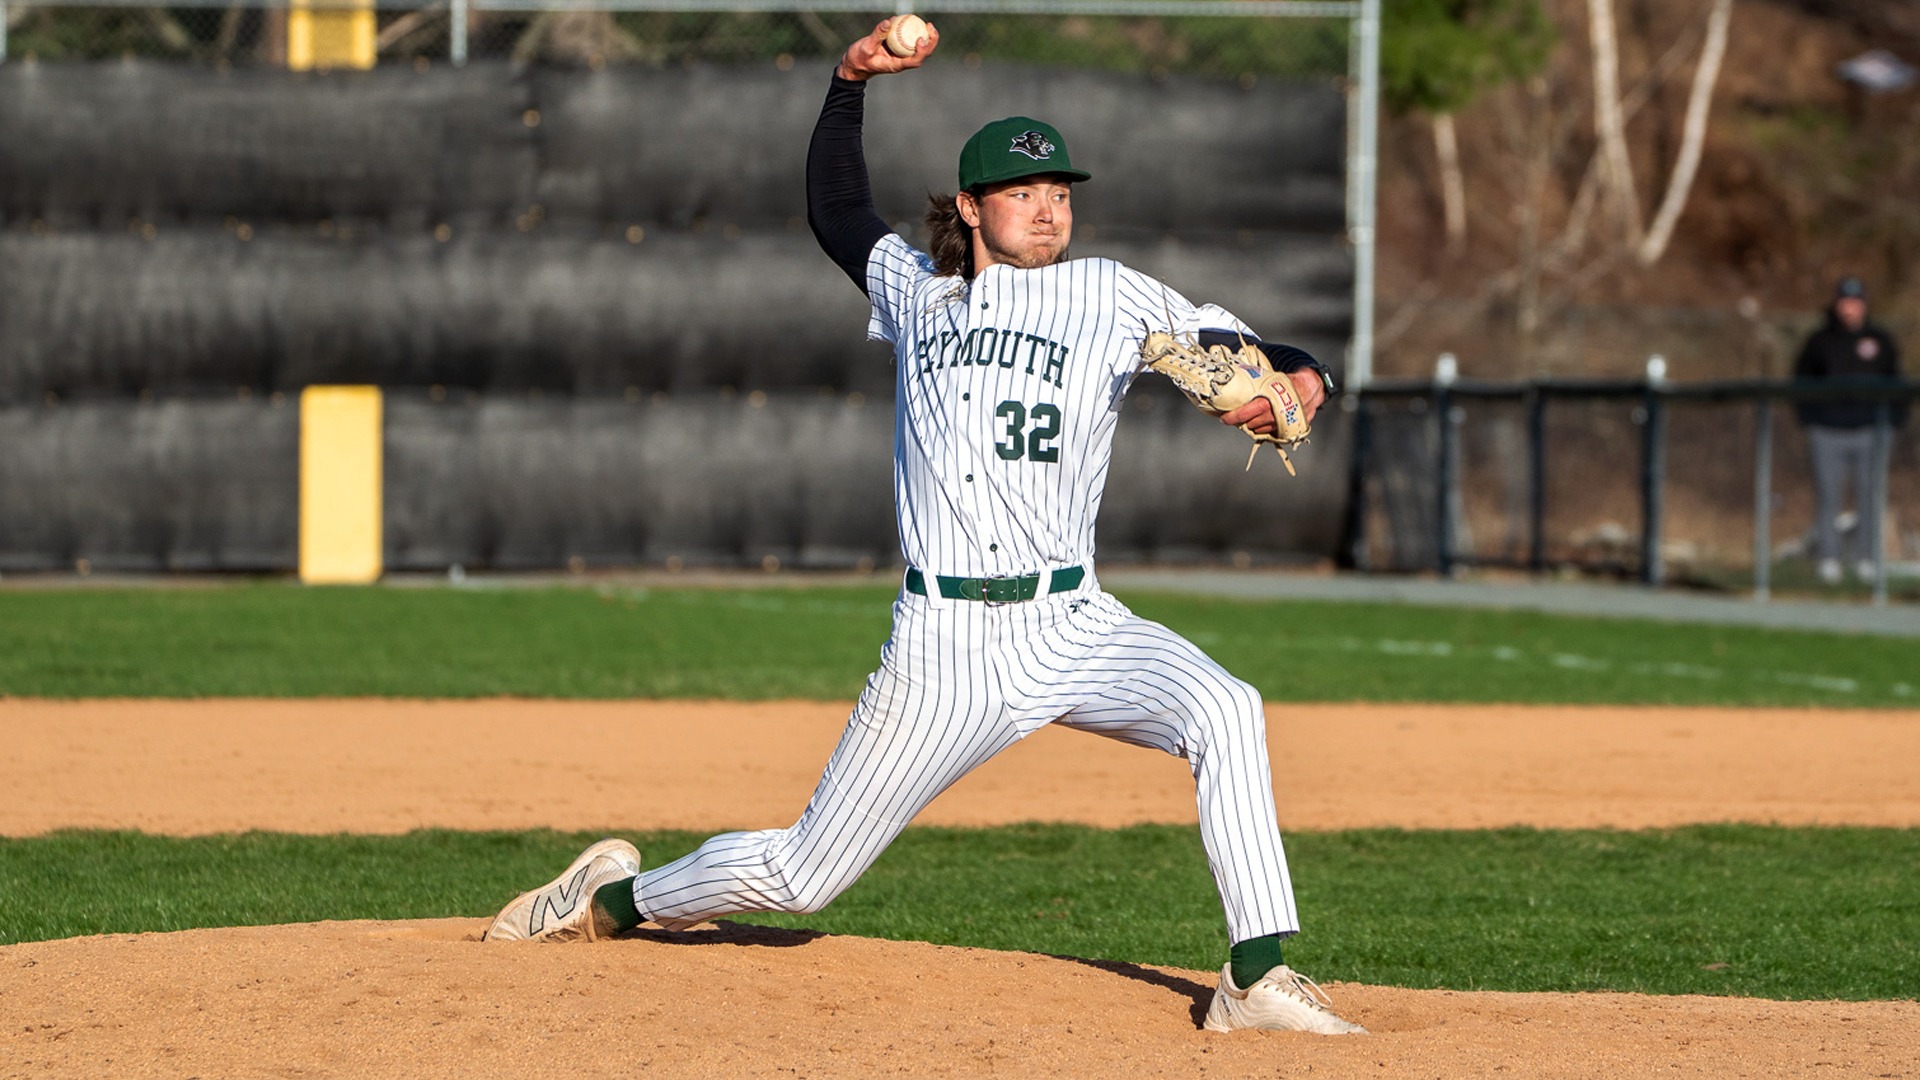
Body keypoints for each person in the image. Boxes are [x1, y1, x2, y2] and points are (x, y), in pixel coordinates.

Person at [482, 19, 1362, 1036]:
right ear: (974, 209)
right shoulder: (918, 292)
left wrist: (1304, 374)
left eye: (1059, 192)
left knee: (1226, 709)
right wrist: (847, 80)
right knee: (803, 875)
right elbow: (834, 209)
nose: (1047, 209)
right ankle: (607, 900)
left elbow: (1250, 347)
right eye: (1024, 193)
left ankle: (1254, 979)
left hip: (1073, 623)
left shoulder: (1114, 296)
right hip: (941, 648)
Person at [1794, 276, 1905, 584]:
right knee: (1829, 496)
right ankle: (1828, 559)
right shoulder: (1820, 341)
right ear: (1836, 303)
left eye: (1856, 302)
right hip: (1827, 430)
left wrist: (1895, 421)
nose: (1850, 308)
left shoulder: (1880, 340)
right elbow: (1801, 380)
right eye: (1845, 301)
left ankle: (1866, 559)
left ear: (1864, 305)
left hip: (1870, 430)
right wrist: (1810, 419)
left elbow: (1897, 381)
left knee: (1870, 495)